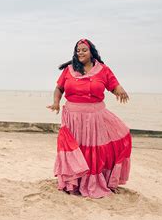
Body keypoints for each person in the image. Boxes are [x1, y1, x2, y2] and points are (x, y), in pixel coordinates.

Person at [47, 38, 131, 198]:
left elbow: (113, 85)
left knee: (95, 150)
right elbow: (59, 88)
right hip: (72, 117)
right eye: (78, 50)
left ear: (92, 52)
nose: (80, 53)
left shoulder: (103, 70)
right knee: (75, 149)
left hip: (94, 118)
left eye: (84, 50)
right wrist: (56, 103)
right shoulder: (69, 70)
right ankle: (73, 182)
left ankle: (93, 182)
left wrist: (120, 90)